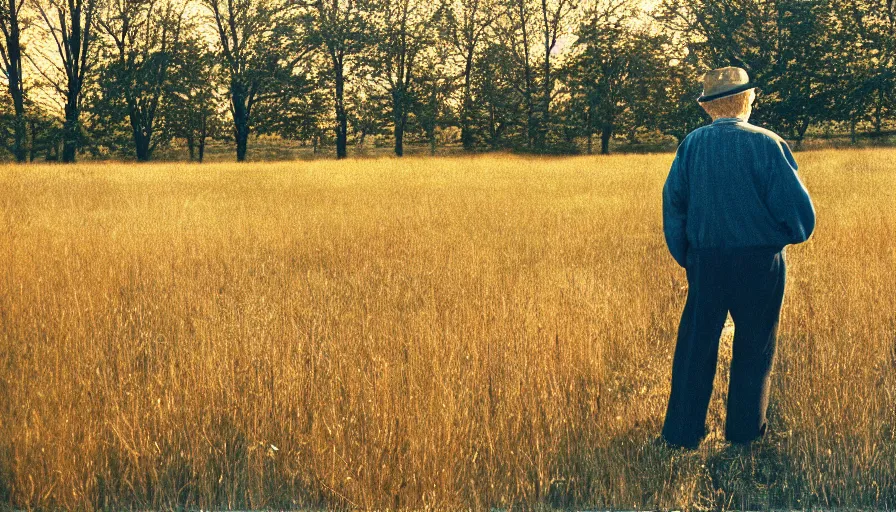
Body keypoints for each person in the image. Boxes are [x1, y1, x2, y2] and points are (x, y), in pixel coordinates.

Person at [660, 66, 816, 450]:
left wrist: (689, 256)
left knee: (696, 345)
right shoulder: (767, 143)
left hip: (706, 262)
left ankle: (683, 434)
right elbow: (799, 215)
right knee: (755, 346)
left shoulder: (691, 145)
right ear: (747, 100)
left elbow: (673, 205)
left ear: (709, 108)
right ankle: (745, 433)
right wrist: (778, 240)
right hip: (759, 263)